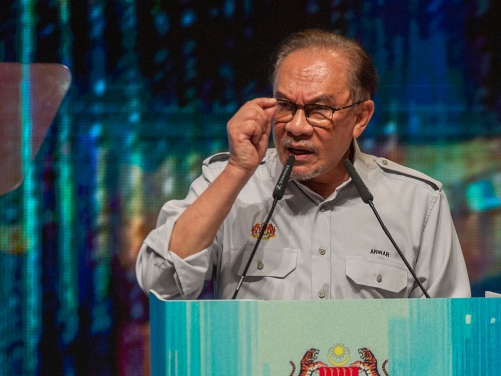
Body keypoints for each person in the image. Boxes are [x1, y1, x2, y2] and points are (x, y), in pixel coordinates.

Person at [136, 29, 471, 300]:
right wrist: (237, 172)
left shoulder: (418, 202)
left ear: (360, 117)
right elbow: (159, 283)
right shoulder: (231, 186)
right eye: (285, 105)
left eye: (318, 110)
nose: (296, 126)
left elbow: (450, 331)